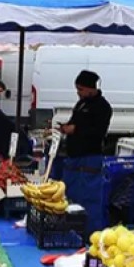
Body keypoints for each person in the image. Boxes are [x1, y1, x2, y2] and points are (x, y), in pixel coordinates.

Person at [50, 70, 113, 234]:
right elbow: (74, 122)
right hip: (73, 159)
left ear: (92, 88)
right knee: (69, 197)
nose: (78, 93)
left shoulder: (103, 107)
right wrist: (64, 128)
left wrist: (76, 129)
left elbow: (99, 132)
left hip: (90, 159)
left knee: (89, 201)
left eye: (81, 89)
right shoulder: (81, 104)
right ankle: (70, 231)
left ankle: (89, 235)